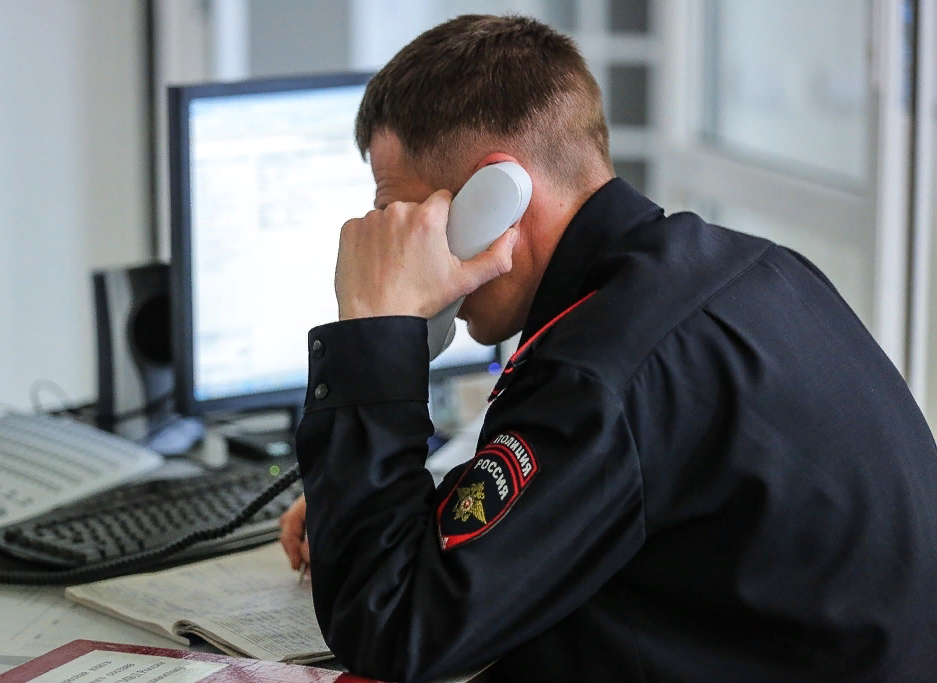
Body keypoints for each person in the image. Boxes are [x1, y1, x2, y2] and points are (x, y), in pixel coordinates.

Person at [280, 14, 937, 683]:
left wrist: (376, 324)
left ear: (495, 200)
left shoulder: (596, 370)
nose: (402, 251)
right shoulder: (749, 270)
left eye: (408, 222)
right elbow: (560, 505)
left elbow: (390, 626)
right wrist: (365, 500)